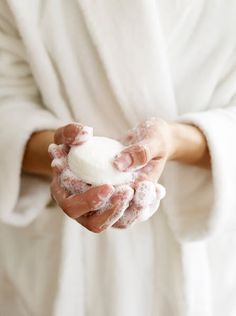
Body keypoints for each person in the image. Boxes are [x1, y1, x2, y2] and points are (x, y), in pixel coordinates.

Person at [0, 0, 236, 315]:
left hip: (208, 244)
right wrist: (61, 157)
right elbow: (7, 101)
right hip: (62, 258)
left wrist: (177, 140)